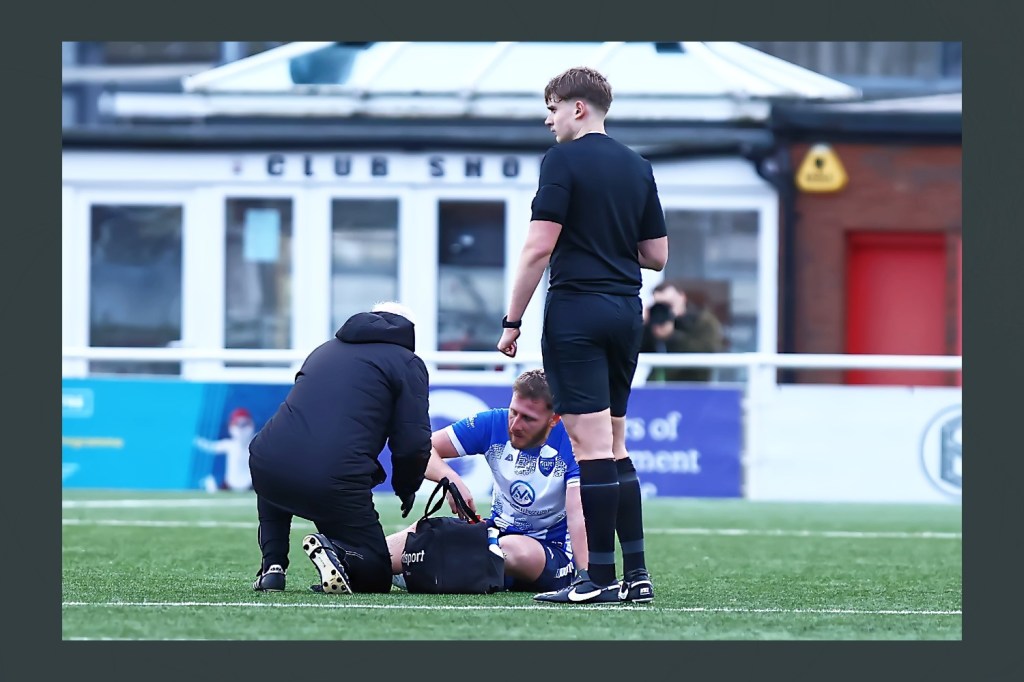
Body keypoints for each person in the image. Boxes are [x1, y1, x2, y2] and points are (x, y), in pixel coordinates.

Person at [497, 66, 666, 604]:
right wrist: (608, 237)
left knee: (588, 447)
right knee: (615, 444)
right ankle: (637, 575)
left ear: (577, 107)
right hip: (625, 312)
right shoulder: (638, 166)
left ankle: (597, 578)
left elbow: (538, 247)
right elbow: (656, 256)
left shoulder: (561, 160)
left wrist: (512, 321)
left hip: (577, 312)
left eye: (552, 109)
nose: (548, 121)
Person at [247, 301, 431, 594]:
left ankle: (273, 567)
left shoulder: (323, 350)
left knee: (278, 470)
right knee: (374, 577)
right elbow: (412, 442)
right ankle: (338, 552)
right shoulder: (407, 363)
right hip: (332, 477)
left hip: (266, 457)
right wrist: (406, 486)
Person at [384, 369, 586, 594]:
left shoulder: (574, 444)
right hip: (493, 535)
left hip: (552, 553)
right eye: (514, 412)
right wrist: (449, 478)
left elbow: (578, 515)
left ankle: (421, 572)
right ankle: (362, 562)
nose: (515, 425)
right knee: (422, 532)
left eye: (528, 418)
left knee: (516, 551)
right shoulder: (494, 423)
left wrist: (586, 576)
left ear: (553, 419)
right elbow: (422, 450)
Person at [641, 280, 726, 382]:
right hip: (659, 384)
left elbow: (706, 351)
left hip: (693, 384)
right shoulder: (655, 323)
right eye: (660, 305)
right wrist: (643, 326)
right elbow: (637, 350)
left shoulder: (703, 321)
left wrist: (672, 335)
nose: (665, 309)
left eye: (669, 304)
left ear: (682, 297)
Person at [195, 407, 255, 492]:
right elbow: (210, 447)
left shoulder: (257, 443)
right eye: (237, 424)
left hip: (250, 486)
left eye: (244, 424)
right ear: (231, 426)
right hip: (230, 485)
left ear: (251, 425)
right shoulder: (230, 445)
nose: (241, 429)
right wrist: (194, 440)